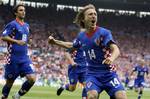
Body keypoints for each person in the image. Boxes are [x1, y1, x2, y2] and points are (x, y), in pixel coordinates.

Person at [49, 4, 127, 99]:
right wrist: (55, 42)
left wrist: (111, 57)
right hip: (92, 75)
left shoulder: (104, 33)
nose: (93, 16)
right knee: (91, 96)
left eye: (95, 14)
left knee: (121, 97)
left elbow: (116, 49)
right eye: (90, 14)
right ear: (83, 19)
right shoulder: (81, 36)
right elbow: (71, 46)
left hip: (109, 74)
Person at [1, 4, 36, 99]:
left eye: (24, 10)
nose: (23, 12)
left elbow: (25, 38)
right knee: (9, 82)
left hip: (24, 58)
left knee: (32, 79)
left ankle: (17, 96)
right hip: (13, 58)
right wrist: (16, 41)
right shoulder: (12, 24)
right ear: (16, 13)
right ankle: (4, 96)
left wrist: (29, 41)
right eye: (20, 10)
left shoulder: (26, 25)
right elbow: (3, 37)